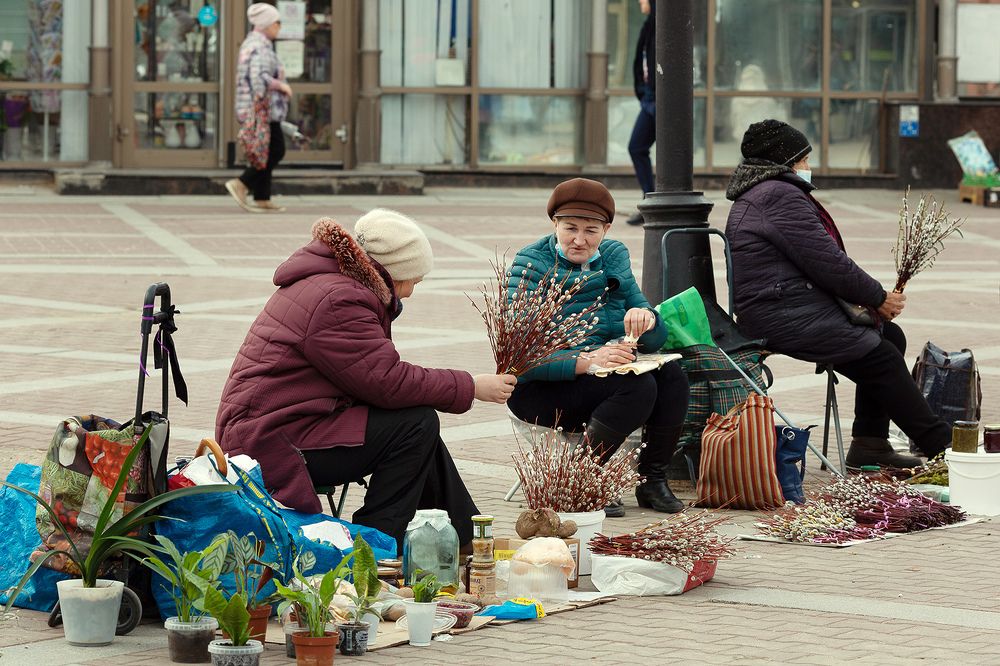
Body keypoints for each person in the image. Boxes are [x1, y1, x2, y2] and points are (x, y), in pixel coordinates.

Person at [215, 209, 517, 552]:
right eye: (414, 280)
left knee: (415, 422)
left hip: (283, 424)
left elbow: (373, 375)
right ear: (393, 272)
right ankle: (375, 546)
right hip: (267, 442)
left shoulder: (334, 283)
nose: (413, 291)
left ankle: (461, 538)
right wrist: (470, 386)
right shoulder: (338, 299)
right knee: (415, 424)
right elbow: (386, 382)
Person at [724, 119, 950, 468]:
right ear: (785, 162)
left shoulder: (766, 193)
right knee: (882, 358)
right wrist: (877, 297)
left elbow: (822, 262)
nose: (808, 168)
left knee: (890, 336)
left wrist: (872, 302)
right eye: (804, 160)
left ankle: (870, 445)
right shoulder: (776, 195)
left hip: (787, 303)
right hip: (781, 313)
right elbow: (827, 261)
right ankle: (944, 447)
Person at [506, 178, 690, 517]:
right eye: (570, 228)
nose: (579, 240)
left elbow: (652, 333)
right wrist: (588, 360)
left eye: (591, 230)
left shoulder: (614, 256)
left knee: (672, 376)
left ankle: (652, 480)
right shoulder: (530, 264)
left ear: (606, 229)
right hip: (542, 388)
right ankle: (578, 480)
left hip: (601, 375)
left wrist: (645, 320)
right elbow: (521, 358)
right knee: (637, 387)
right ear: (554, 224)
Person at [225, 3, 292, 214]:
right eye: (277, 22)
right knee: (276, 150)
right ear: (266, 24)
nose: (279, 27)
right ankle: (242, 183)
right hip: (262, 108)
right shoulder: (259, 46)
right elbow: (259, 77)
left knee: (267, 149)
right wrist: (281, 86)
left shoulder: (256, 43)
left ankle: (262, 196)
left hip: (260, 108)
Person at [626, 0, 656, 226]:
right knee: (637, 147)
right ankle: (651, 201)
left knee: (672, 156)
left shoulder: (663, 24)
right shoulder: (650, 25)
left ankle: (656, 204)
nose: (640, 2)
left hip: (661, 99)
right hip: (649, 97)